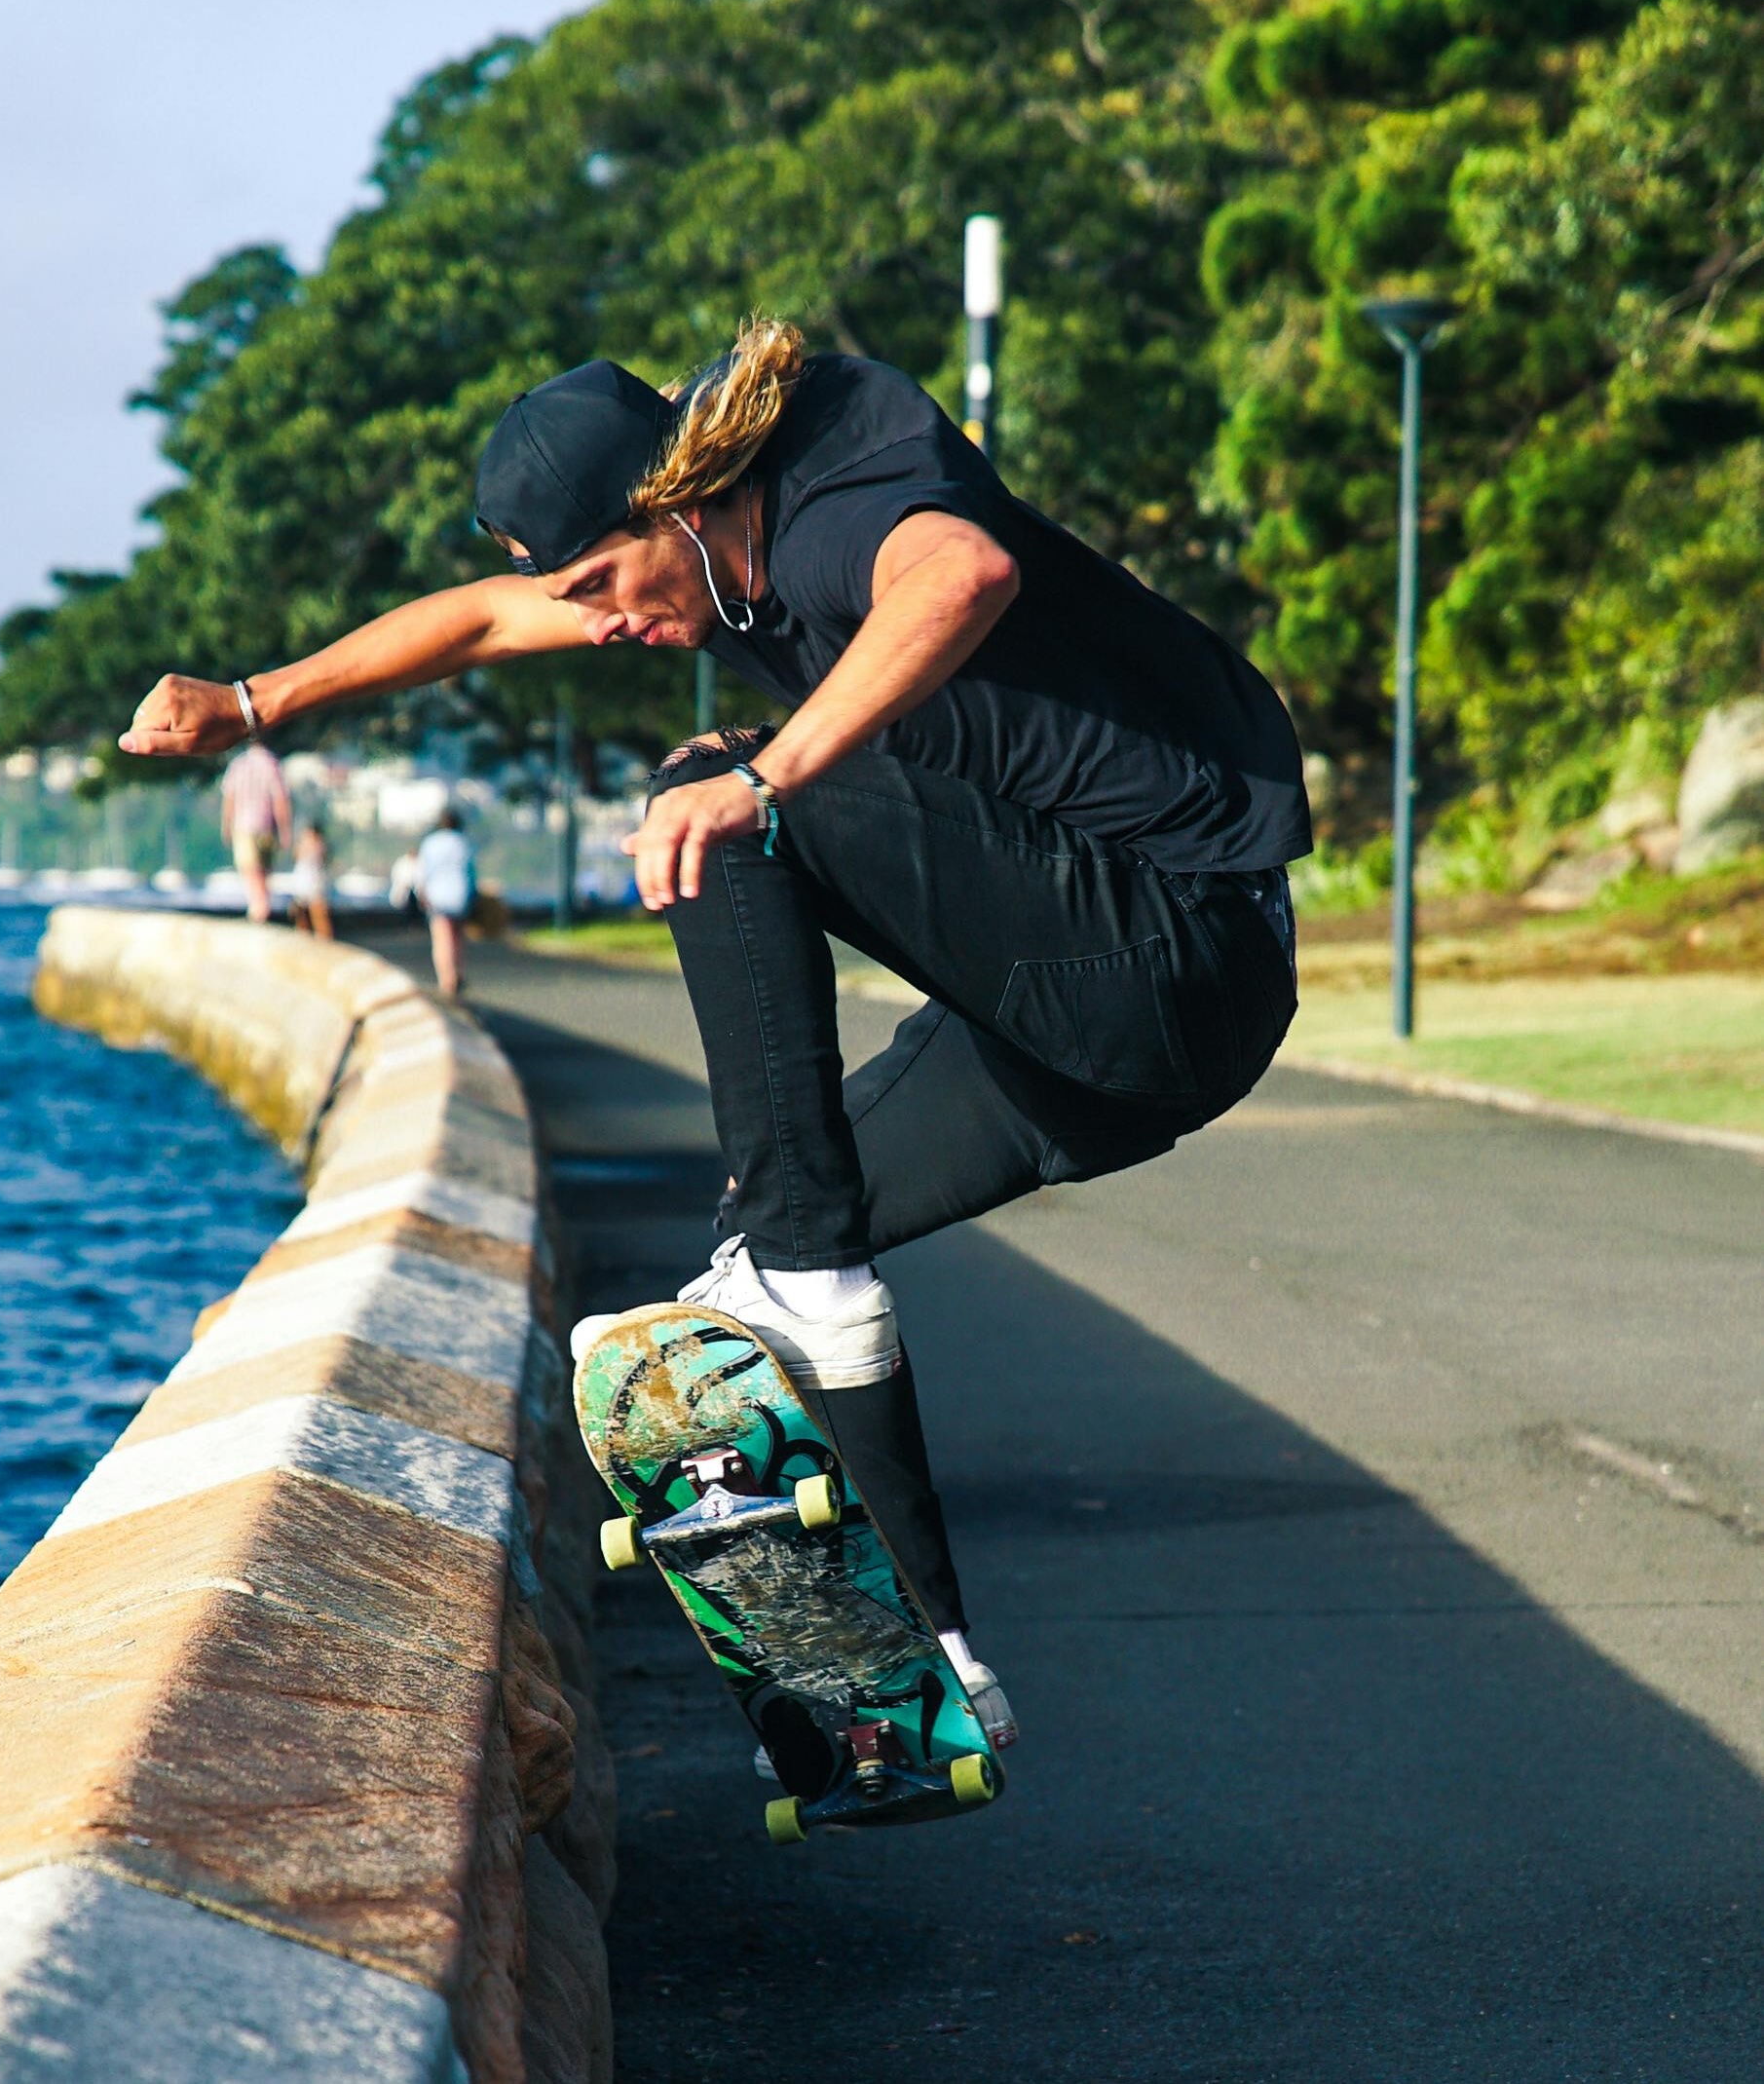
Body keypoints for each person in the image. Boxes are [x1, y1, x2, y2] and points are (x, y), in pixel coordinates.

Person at [119, 319, 1311, 1762]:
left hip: (1176, 948)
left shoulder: (835, 493)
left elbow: (961, 574)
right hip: (1082, 1048)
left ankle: (807, 1277)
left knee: (711, 796)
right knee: (766, 1250)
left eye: (602, 588)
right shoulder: (678, 550)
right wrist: (254, 702)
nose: (604, 626)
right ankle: (925, 1672)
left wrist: (769, 776)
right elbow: (485, 622)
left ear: (674, 504)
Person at [218, 739, 290, 923]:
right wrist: (284, 830)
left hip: (243, 824)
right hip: (266, 825)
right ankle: (261, 906)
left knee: (250, 869)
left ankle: (258, 909)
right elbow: (280, 800)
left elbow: (230, 798)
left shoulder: (238, 765)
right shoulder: (272, 764)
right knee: (264, 870)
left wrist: (226, 825)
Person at [415, 808, 477, 997]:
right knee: (457, 936)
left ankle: (447, 979)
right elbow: (471, 872)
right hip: (460, 895)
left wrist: (421, 895)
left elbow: (422, 873)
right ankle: (457, 972)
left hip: (437, 897)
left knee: (442, 938)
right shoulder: (463, 843)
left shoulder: (430, 843)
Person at [288, 820, 334, 939]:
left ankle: (323, 939)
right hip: (302, 887)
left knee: (319, 916)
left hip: (315, 887)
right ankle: (303, 937)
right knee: (301, 917)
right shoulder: (301, 847)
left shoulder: (320, 847)